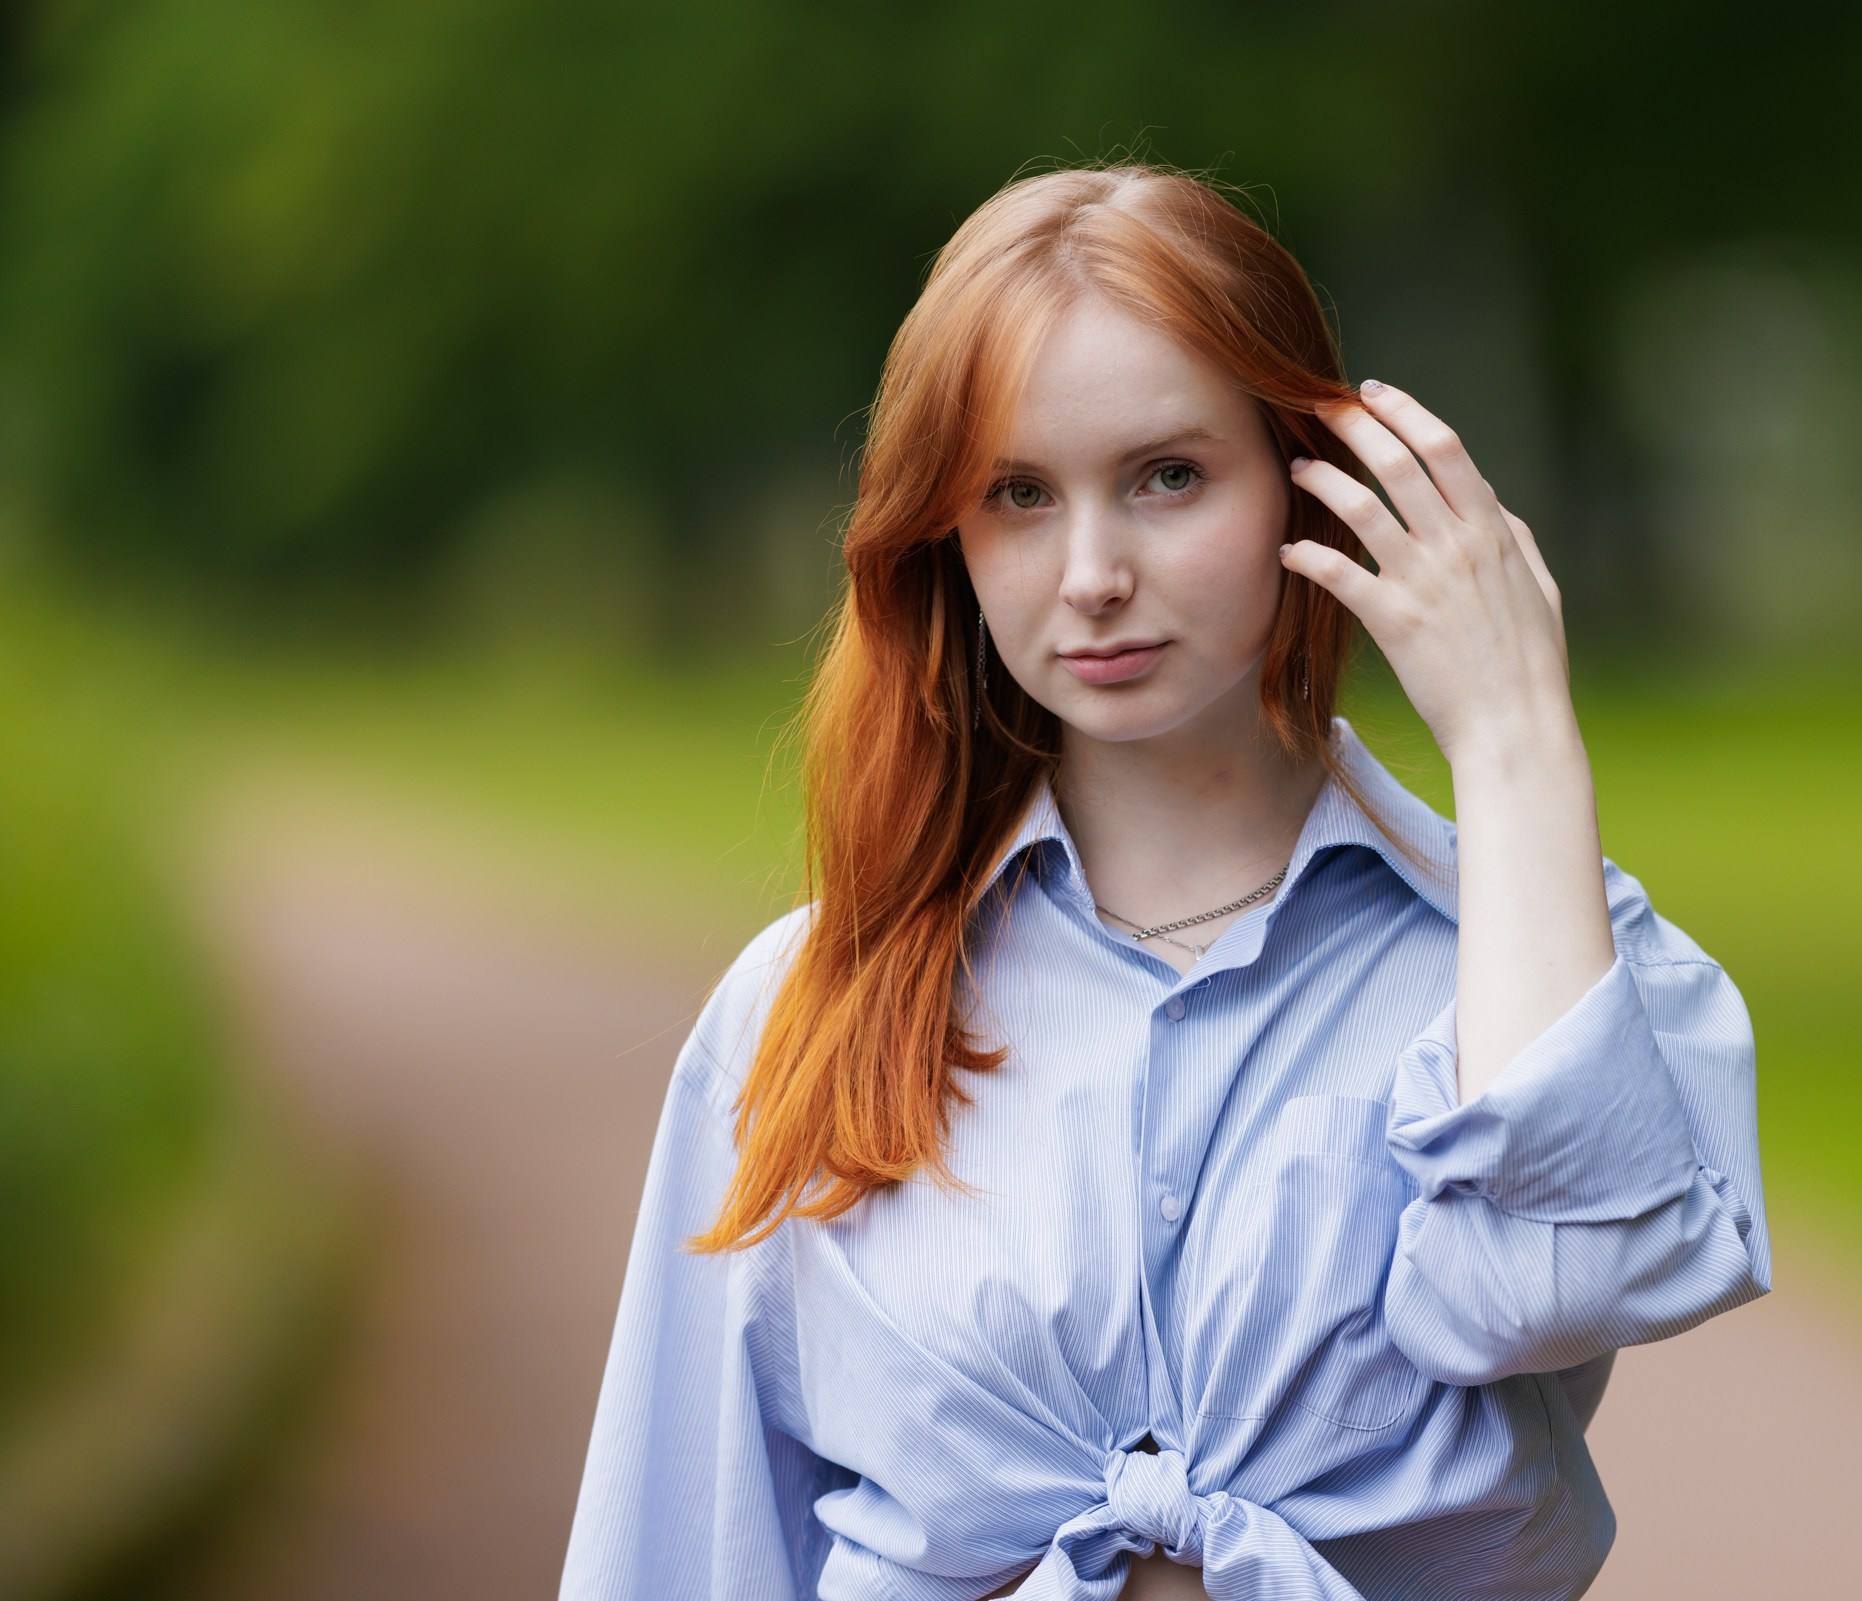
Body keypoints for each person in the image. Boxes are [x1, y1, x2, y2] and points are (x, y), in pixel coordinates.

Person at [559, 162, 1770, 1601]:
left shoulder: (1532, 947)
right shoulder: (802, 1007)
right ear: (946, 534)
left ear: (1304, 483)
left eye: (1168, 476)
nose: (1092, 572)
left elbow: (1561, 1286)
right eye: (1017, 493)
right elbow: (680, 1557)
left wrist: (1514, 748)